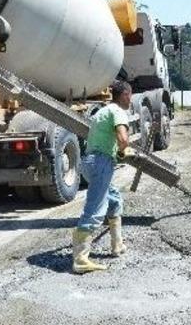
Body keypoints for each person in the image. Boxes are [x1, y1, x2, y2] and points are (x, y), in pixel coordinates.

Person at [71, 80, 135, 274]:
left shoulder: (102, 111)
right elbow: (123, 139)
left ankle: (117, 245)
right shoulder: (117, 111)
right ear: (124, 95)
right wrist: (124, 151)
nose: (130, 99)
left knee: (114, 200)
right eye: (129, 95)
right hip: (100, 162)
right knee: (95, 209)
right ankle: (80, 259)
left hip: (91, 162)